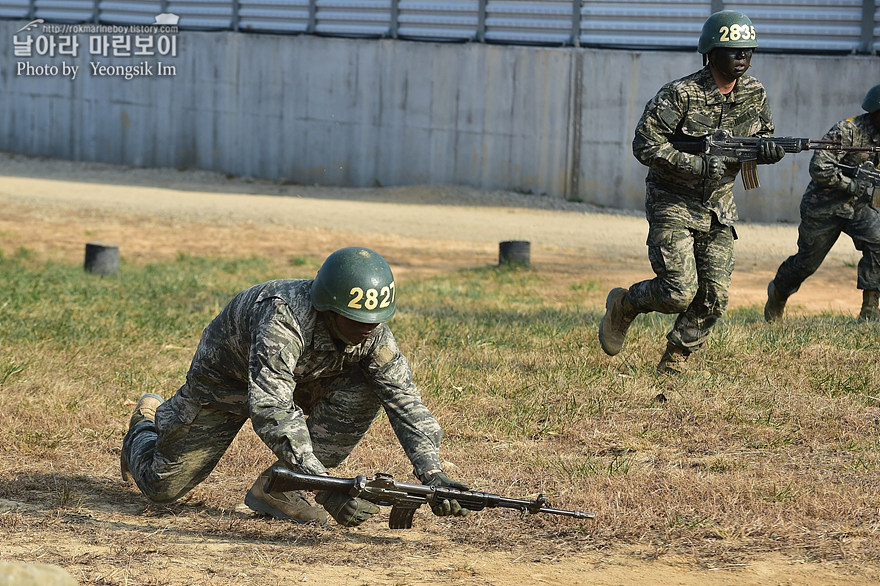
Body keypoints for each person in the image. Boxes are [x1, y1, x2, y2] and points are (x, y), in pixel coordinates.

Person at [121, 246, 469, 526]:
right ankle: (145, 424)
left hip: (303, 378)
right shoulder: (283, 318)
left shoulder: (372, 333)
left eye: (376, 320)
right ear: (328, 309)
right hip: (226, 383)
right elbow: (271, 408)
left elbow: (405, 401)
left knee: (370, 384)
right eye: (357, 319)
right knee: (161, 486)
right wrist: (324, 487)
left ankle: (279, 488)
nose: (368, 329)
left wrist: (432, 473)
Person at [598, 10, 786, 374]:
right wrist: (695, 165)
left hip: (718, 207)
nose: (742, 57)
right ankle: (625, 305)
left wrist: (768, 150)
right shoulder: (680, 94)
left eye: (748, 50)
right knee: (677, 291)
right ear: (710, 52)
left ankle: (675, 360)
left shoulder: (755, 93)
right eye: (732, 50)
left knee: (715, 296)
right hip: (672, 201)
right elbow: (645, 144)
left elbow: (759, 138)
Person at [764, 85, 880, 323]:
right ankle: (778, 292)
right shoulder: (847, 130)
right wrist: (850, 185)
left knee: (878, 242)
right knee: (806, 264)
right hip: (823, 207)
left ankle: (870, 311)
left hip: (857, 207)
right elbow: (819, 167)